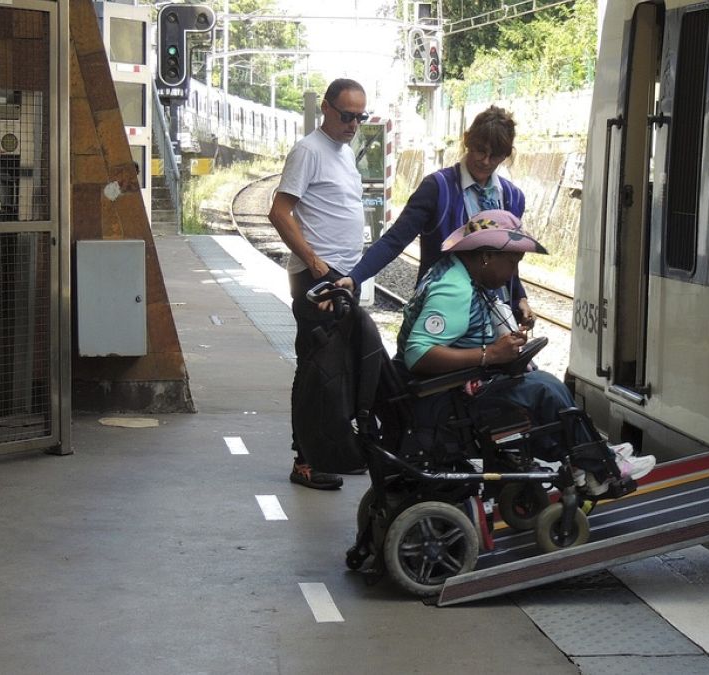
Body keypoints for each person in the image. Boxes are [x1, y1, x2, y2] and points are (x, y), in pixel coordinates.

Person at [396, 210, 655, 494]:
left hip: (453, 392)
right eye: (513, 262)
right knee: (544, 389)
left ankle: (587, 460)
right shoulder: (454, 289)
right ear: (487, 257)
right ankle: (601, 467)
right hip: (444, 403)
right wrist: (490, 355)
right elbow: (418, 354)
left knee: (538, 383)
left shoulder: (463, 274)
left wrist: (502, 347)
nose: (514, 272)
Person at [340, 106, 533, 327]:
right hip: (443, 310)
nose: (486, 161)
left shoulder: (512, 197)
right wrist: (355, 277)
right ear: (467, 140)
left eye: (496, 155)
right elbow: (396, 239)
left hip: (496, 313)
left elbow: (508, 260)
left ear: (506, 155)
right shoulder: (437, 188)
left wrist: (519, 297)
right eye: (480, 150)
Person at [268, 78, 370, 490]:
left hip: (343, 278)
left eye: (360, 117)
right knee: (314, 371)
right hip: (320, 281)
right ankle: (304, 461)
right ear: (326, 109)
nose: (353, 124)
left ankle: (332, 449)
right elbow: (279, 211)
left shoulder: (344, 153)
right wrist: (315, 265)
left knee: (339, 371)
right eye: (347, 115)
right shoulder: (309, 151)